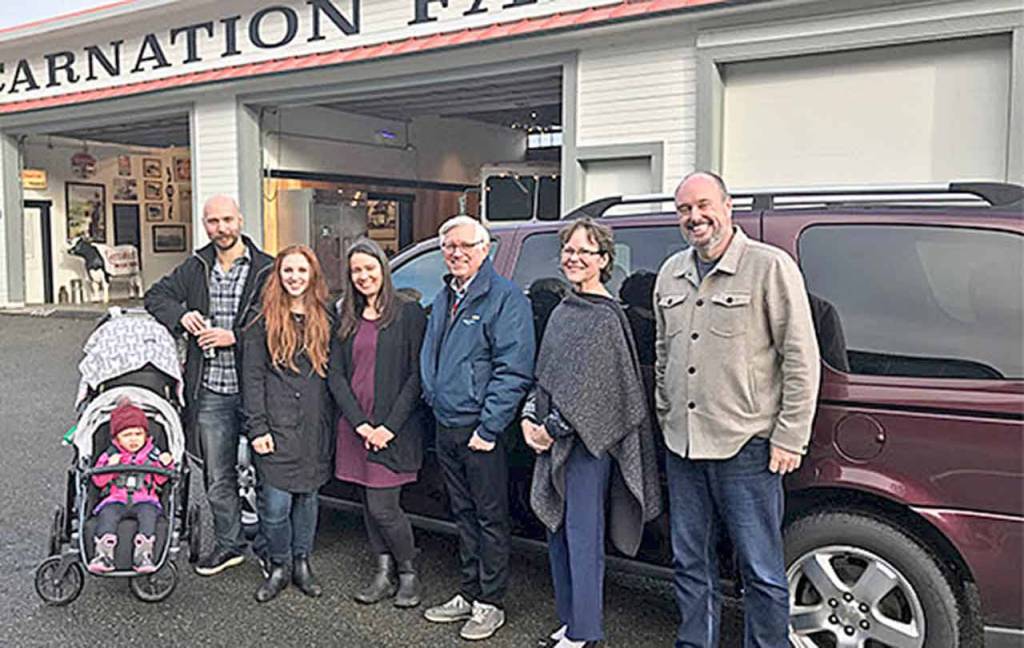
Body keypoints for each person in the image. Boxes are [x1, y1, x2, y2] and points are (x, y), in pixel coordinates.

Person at [654, 171, 821, 647]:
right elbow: (665, 352)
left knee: (760, 569)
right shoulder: (670, 272)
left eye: (703, 205)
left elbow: (800, 357)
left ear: (728, 206)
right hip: (683, 445)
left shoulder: (769, 267)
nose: (694, 217)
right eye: (685, 209)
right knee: (690, 563)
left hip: (747, 447)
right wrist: (666, 413)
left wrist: (790, 437)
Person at [522, 219, 661, 648]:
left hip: (589, 444)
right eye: (568, 250)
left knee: (583, 534)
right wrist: (529, 417)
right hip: (551, 437)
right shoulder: (565, 310)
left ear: (603, 260)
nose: (574, 258)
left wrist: (551, 429)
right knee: (557, 529)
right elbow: (545, 375)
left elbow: (604, 391)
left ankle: (585, 630)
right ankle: (569, 621)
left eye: (584, 251)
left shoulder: (606, 317)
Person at [419, 215, 536, 641]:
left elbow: (513, 369)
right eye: (449, 246)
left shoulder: (504, 298)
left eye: (465, 246)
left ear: (485, 250)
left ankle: (490, 602)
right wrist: (432, 396)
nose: (456, 253)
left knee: (490, 518)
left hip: (481, 430)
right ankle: (468, 592)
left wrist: (488, 428)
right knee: (463, 514)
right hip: (447, 423)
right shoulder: (445, 296)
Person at [145, 195, 274, 576]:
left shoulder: (267, 268)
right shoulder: (197, 266)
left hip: (260, 390)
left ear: (241, 220)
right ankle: (230, 544)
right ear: (205, 225)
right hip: (212, 390)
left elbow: (282, 322)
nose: (222, 228)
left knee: (269, 477)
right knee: (218, 477)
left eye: (228, 220)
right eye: (214, 221)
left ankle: (271, 549)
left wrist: (236, 337)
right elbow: (155, 296)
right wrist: (182, 315)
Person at [329, 238, 427, 608]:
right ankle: (383, 573)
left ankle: (408, 573)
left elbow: (417, 376)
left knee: (384, 506)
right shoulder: (346, 315)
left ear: (383, 269)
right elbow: (336, 375)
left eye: (369, 268)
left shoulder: (408, 313)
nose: (363, 276)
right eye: (356, 270)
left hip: (393, 431)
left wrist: (388, 428)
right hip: (356, 428)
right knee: (368, 505)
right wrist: (360, 424)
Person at [242, 245, 335, 603]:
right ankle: (278, 565)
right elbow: (252, 378)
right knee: (276, 505)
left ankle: (302, 563)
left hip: (314, 424)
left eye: (301, 271)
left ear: (312, 275)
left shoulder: (325, 315)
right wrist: (257, 428)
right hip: (275, 425)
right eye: (288, 271)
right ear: (278, 276)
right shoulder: (261, 319)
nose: (295, 277)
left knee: (308, 498)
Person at [88, 401, 174, 575]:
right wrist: (109, 467)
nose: (133, 439)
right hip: (116, 499)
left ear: (146, 435)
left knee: (148, 516)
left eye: (138, 434)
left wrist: (166, 464)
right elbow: (98, 481)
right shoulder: (110, 455)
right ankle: (103, 555)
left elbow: (161, 480)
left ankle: (144, 555)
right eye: (127, 435)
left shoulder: (152, 454)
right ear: (117, 438)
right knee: (107, 515)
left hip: (145, 499)